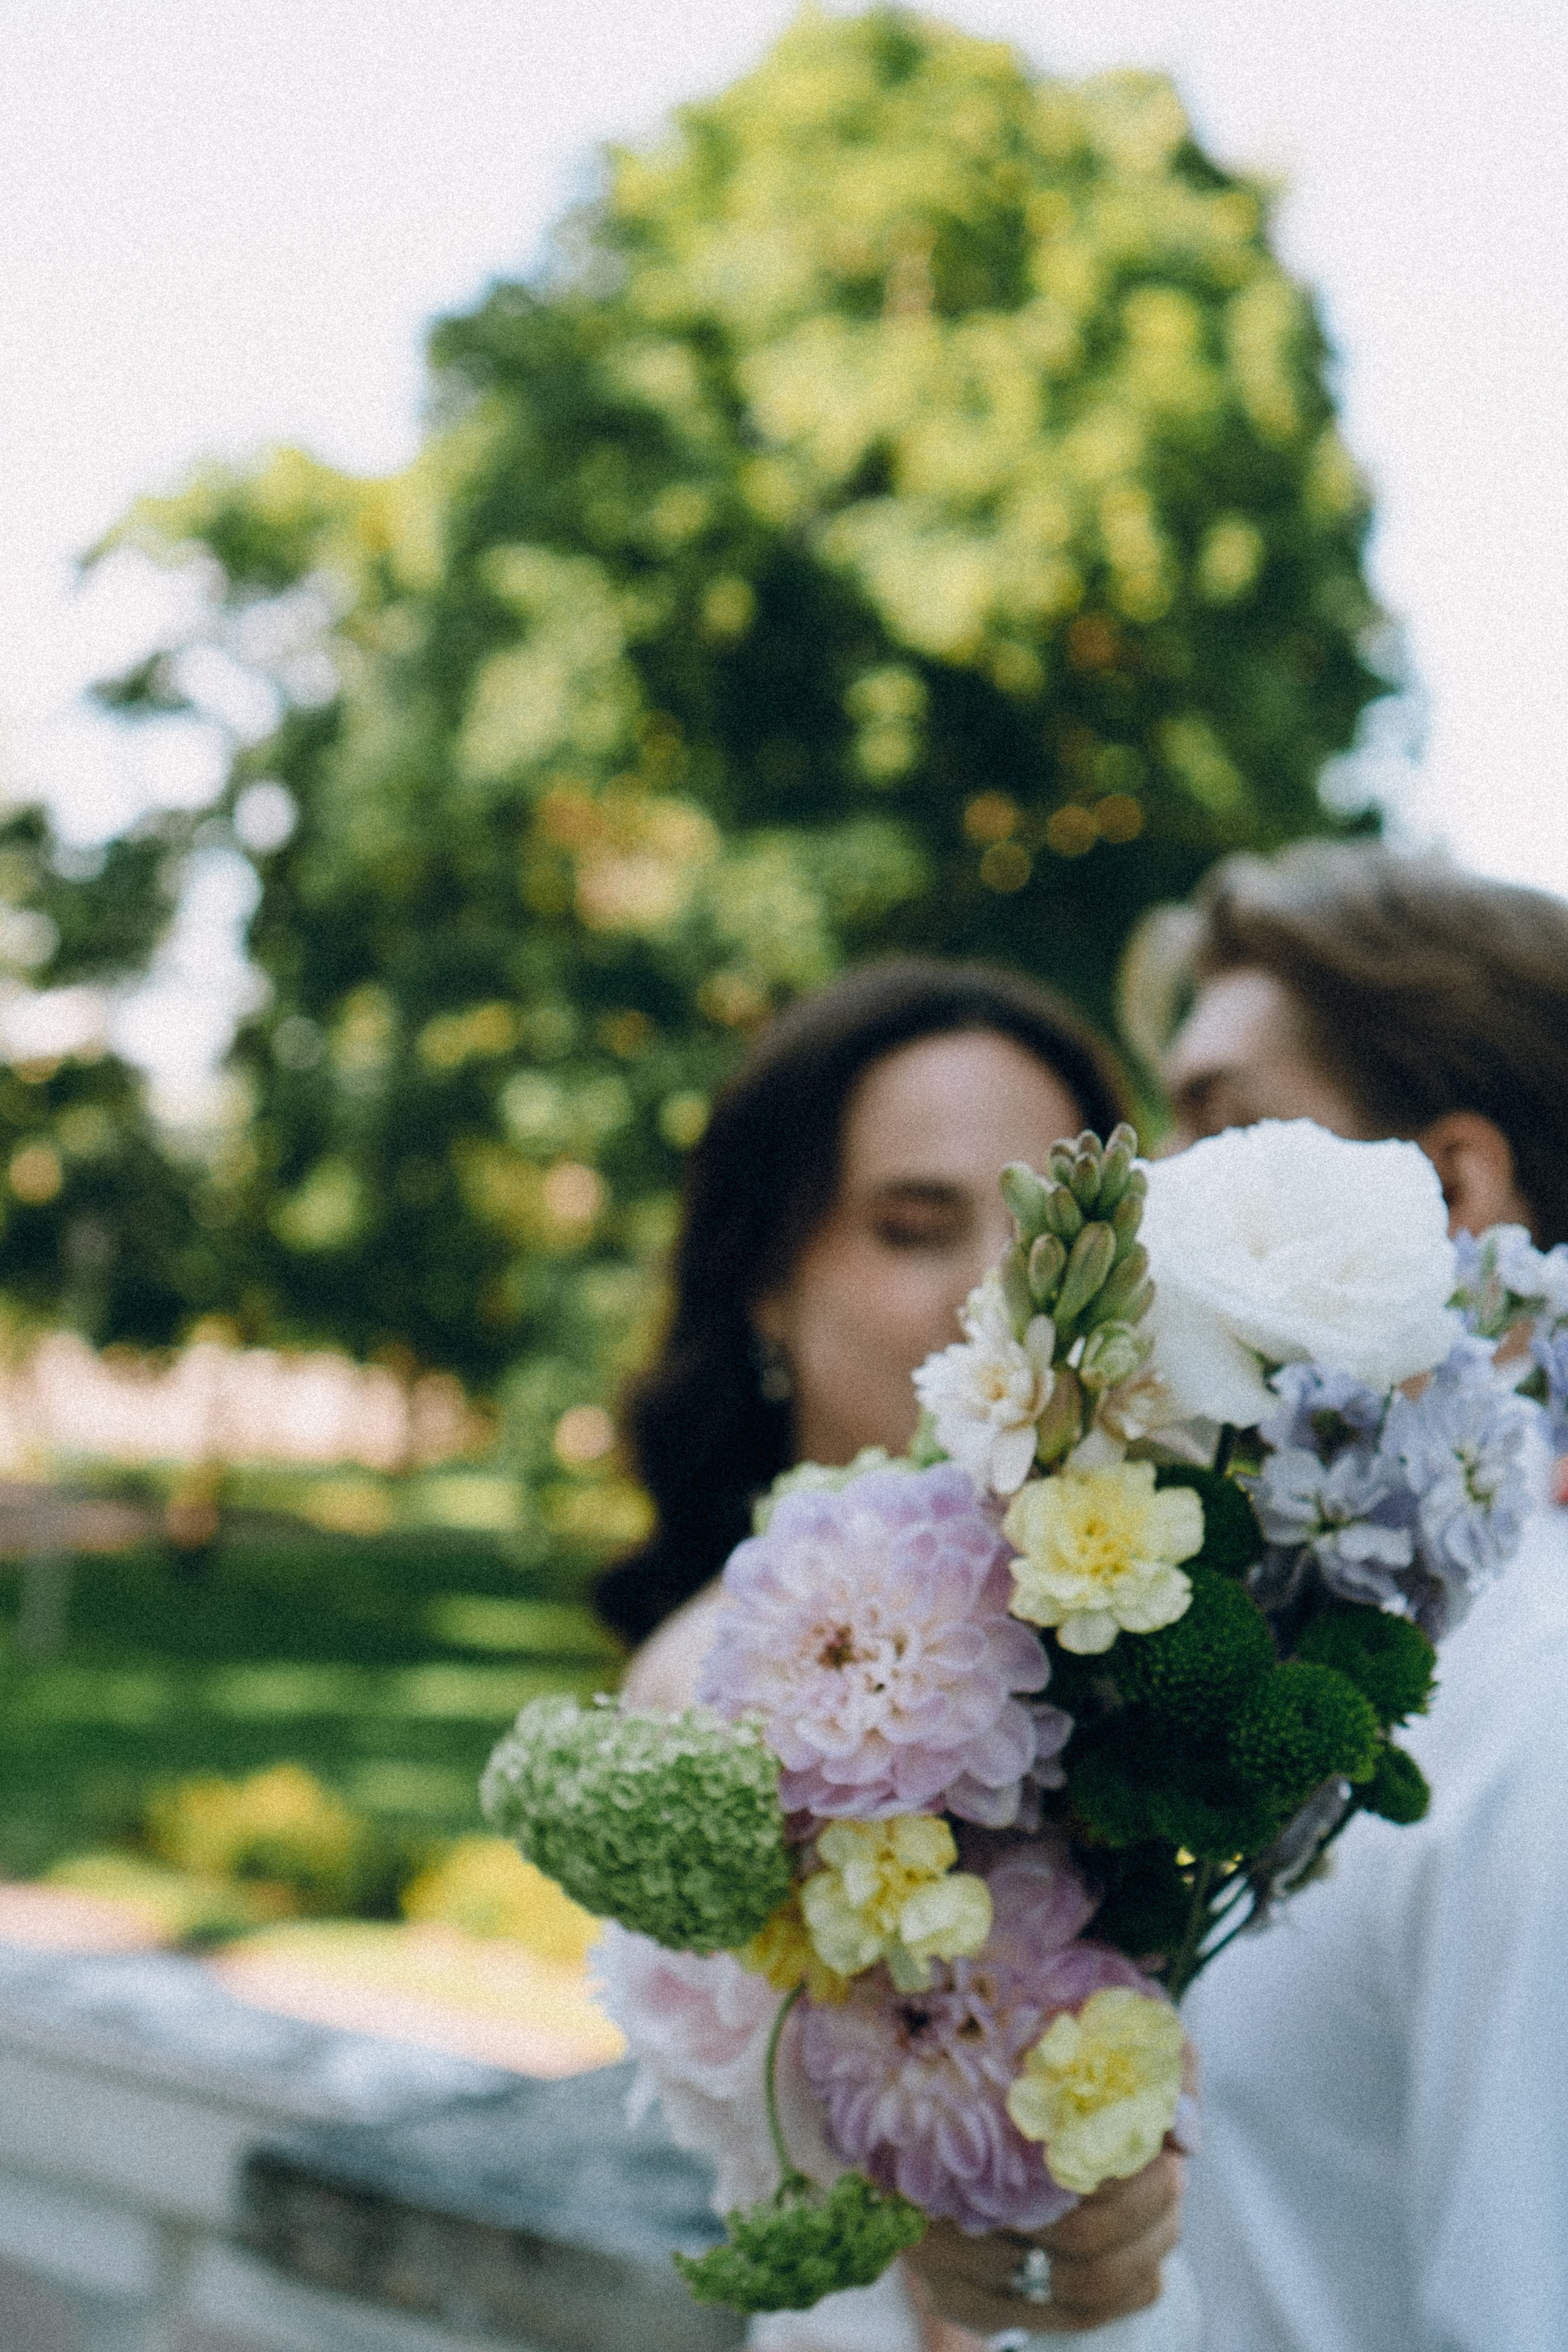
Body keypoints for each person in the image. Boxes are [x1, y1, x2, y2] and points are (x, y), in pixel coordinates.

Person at [598, 957, 1191, 2349]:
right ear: (765, 1279)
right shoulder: (717, 1697)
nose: (999, 1295)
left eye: (1048, 1231)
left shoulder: (1183, 1630)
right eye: (913, 1226)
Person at [1145, 842, 1568, 2352]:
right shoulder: (1247, 1637)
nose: (1144, 1201)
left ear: (1447, 1189)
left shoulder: (1541, 1714)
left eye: (1219, 1128)